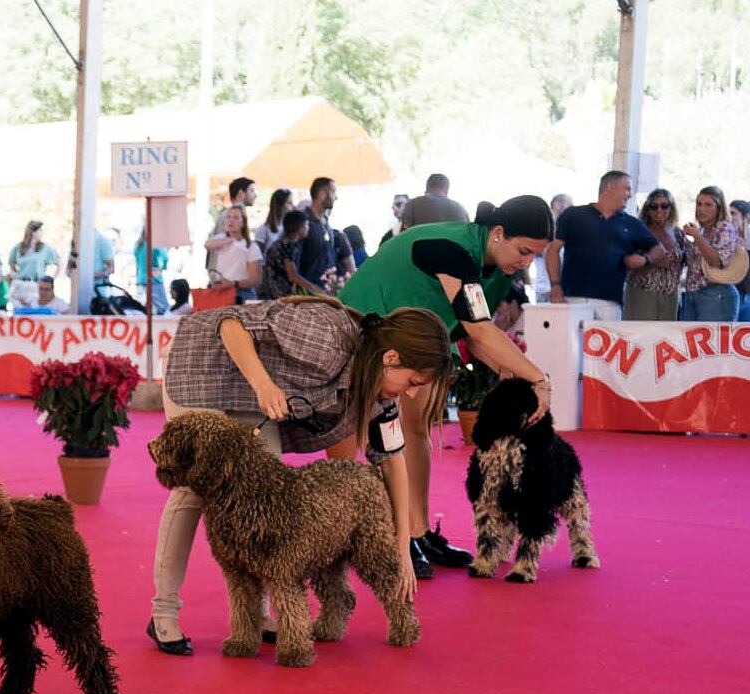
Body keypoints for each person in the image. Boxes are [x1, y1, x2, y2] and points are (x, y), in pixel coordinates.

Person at [145, 296, 450, 654]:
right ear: (391, 358)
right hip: (205, 366)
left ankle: (255, 619)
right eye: (414, 381)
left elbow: (393, 460)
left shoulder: (381, 395)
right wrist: (263, 385)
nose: (412, 393)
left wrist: (403, 545)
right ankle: (164, 612)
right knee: (194, 488)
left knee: (264, 491)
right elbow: (230, 322)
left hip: (255, 390)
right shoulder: (328, 337)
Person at [339, 196, 557, 579]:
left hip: (412, 339)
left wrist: (507, 369)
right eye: (523, 251)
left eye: (533, 257)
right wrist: (537, 377)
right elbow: (479, 329)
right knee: (363, 441)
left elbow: (473, 336)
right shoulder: (453, 249)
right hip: (361, 330)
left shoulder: (498, 269)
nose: (526, 263)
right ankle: (385, 537)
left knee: (416, 428)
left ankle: (418, 534)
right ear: (498, 233)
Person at [547, 170, 658, 320]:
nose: (630, 195)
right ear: (610, 187)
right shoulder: (573, 215)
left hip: (610, 304)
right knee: (570, 343)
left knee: (610, 344)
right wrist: (555, 285)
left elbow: (659, 250)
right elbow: (553, 250)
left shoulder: (631, 223)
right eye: (627, 189)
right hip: (572, 299)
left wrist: (646, 259)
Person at [677, 186, 741, 322]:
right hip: (692, 293)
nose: (702, 209)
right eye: (699, 204)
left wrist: (697, 238)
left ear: (719, 207)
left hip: (716, 293)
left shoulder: (724, 228)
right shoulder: (701, 230)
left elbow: (716, 261)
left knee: (714, 341)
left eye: (708, 205)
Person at [624, 189, 686, 321]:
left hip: (671, 296)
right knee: (642, 336)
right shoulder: (638, 230)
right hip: (643, 294)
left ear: (671, 208)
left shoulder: (677, 233)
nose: (659, 210)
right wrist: (652, 261)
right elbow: (627, 266)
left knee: (665, 338)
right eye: (654, 206)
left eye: (664, 206)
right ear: (648, 209)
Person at [205, 205, 263, 301]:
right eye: (228, 217)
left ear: (243, 222)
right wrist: (229, 241)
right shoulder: (220, 238)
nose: (231, 220)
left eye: (236, 218)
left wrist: (233, 283)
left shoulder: (251, 246)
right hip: (221, 292)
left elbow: (255, 280)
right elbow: (207, 245)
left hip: (242, 293)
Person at [259, 210, 319, 300]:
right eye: (306, 224)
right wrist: (316, 289)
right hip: (279, 293)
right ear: (299, 227)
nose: (308, 228)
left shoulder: (284, 243)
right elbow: (293, 276)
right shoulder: (287, 246)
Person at [298, 177, 344, 291]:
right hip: (308, 295)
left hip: (327, 292)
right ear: (322, 194)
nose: (336, 197)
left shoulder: (325, 222)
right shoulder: (303, 222)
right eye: (333, 192)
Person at [530, 194, 573, 301]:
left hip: (564, 289)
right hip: (543, 287)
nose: (563, 207)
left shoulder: (572, 231)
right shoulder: (543, 228)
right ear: (553, 206)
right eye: (560, 203)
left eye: (567, 204)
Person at [399, 173, 469, 230]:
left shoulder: (412, 205)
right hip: (453, 247)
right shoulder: (461, 210)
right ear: (447, 190)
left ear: (427, 188)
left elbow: (403, 235)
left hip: (421, 246)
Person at [134, 224, 172, 312]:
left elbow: (137, 265)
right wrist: (161, 268)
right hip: (153, 280)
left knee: (142, 310)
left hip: (141, 280)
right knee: (163, 308)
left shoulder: (138, 245)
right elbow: (165, 258)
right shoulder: (156, 243)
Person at [9, 219, 60, 284]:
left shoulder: (45, 248)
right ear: (33, 232)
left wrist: (52, 279)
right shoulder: (18, 247)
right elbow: (11, 262)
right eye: (40, 230)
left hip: (37, 284)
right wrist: (14, 273)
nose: (42, 233)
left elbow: (59, 261)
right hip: (21, 283)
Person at [258, 187, 294, 253]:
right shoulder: (263, 229)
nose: (293, 206)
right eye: (289, 203)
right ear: (280, 205)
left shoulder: (291, 227)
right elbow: (259, 256)